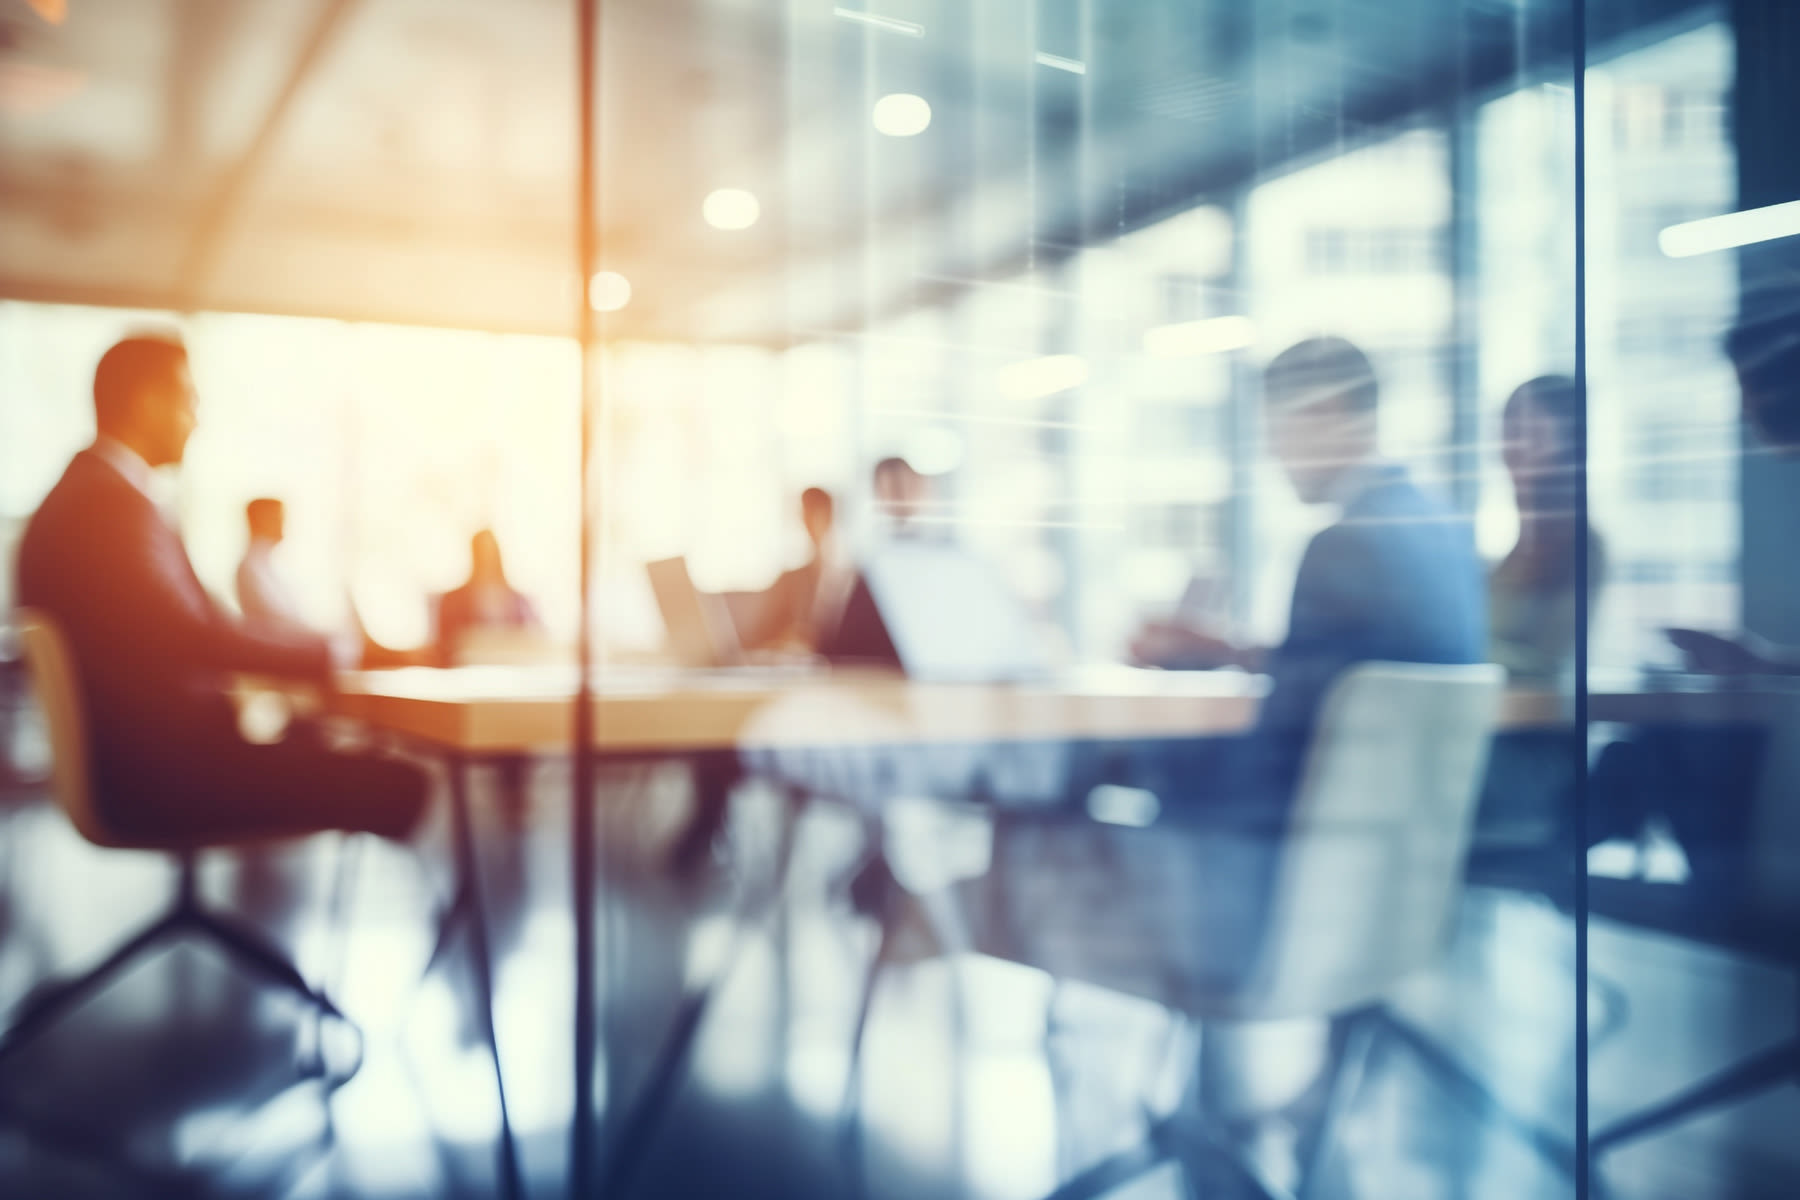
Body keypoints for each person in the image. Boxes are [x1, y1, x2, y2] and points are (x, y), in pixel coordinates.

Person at [14, 334, 427, 842]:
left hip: (146, 762)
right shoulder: (109, 505)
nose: (196, 421)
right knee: (399, 782)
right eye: (190, 401)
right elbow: (192, 635)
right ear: (148, 402)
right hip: (162, 777)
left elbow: (176, 632)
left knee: (327, 749)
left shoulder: (87, 494)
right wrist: (333, 652)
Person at [1489, 376, 1606, 682]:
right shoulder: (1515, 551)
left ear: (1567, 445)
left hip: (1541, 720)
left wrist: (1464, 649)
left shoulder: (1581, 548)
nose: (1511, 450)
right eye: (1507, 432)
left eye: (1528, 434)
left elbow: (1551, 663)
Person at [742, 487, 855, 653]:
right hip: (796, 662)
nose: (811, 523)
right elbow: (761, 633)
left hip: (839, 662)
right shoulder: (789, 579)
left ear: (830, 518)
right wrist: (786, 638)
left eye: (818, 515)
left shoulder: (850, 580)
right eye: (806, 515)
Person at [431, 529, 542, 668]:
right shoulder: (451, 601)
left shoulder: (520, 601)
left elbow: (535, 640)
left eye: (490, 551)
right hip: (466, 675)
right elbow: (442, 646)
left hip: (512, 673)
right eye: (481, 551)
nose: (487, 557)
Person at [236, 497, 304, 634]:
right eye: (278, 517)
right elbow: (281, 619)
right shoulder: (251, 569)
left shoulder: (265, 566)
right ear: (261, 520)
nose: (283, 523)